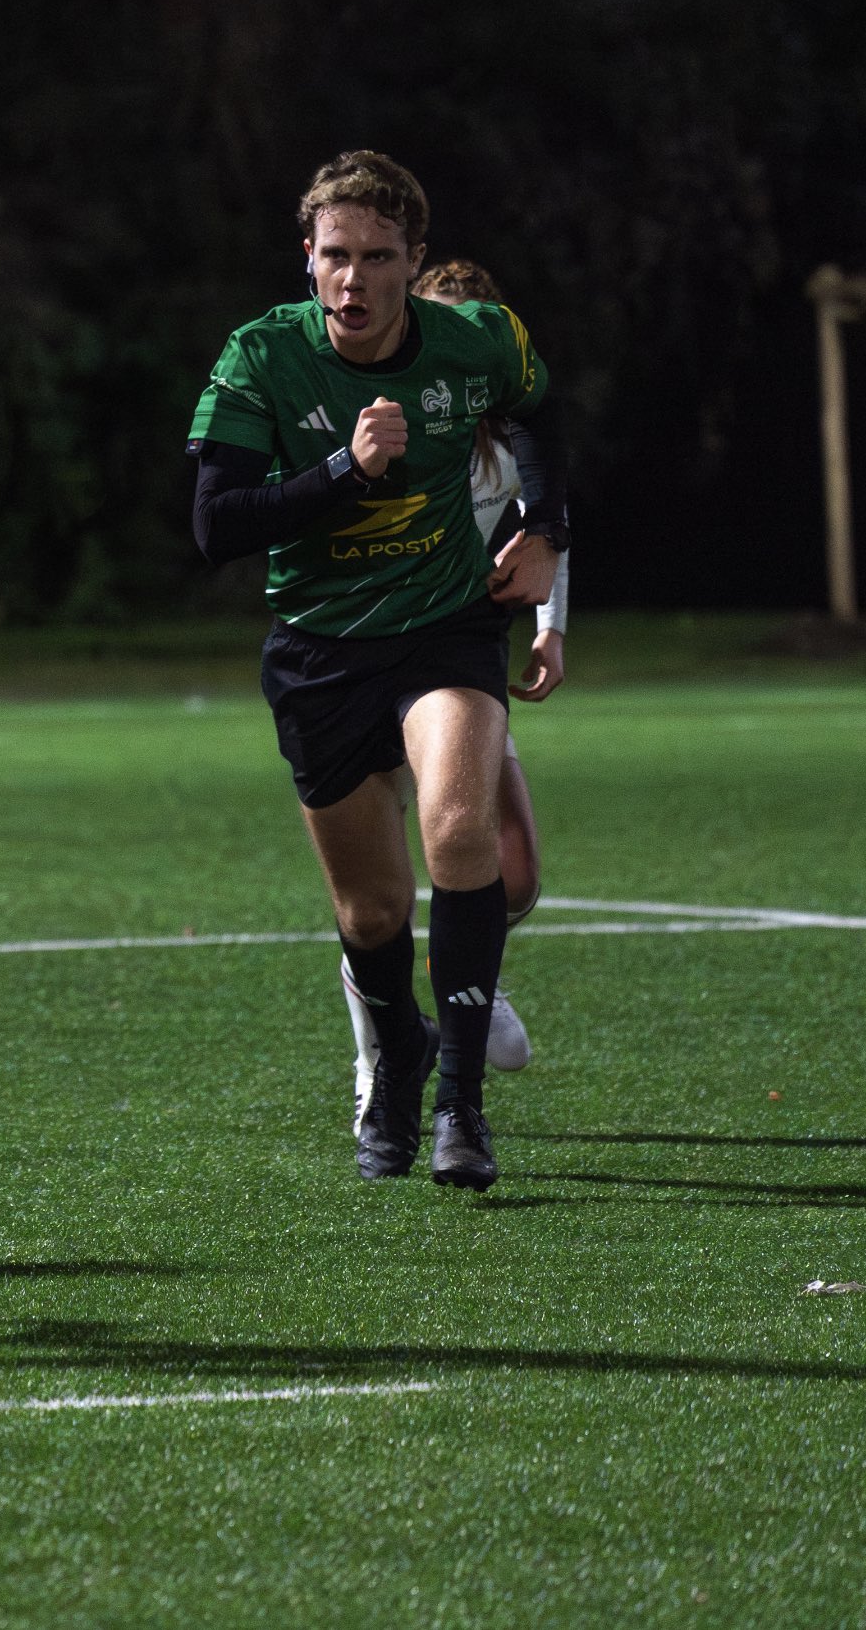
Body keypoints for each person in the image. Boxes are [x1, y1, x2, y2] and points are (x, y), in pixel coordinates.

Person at [186, 153, 568, 1192]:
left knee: (457, 830)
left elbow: (536, 409)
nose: (352, 281)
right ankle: (394, 1055)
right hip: (317, 651)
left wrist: (544, 530)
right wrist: (339, 473)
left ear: (414, 264)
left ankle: (461, 1108)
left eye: (376, 259)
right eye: (334, 258)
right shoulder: (260, 357)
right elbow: (214, 526)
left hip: (445, 631)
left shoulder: (474, 340)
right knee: (368, 914)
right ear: (305, 261)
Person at [338, 258, 571, 1132]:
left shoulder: (509, 434)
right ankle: (377, 1064)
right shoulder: (380, 419)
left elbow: (546, 527)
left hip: (457, 666)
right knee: (379, 893)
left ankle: (475, 966)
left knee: (515, 868)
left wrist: (550, 625)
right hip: (366, 663)